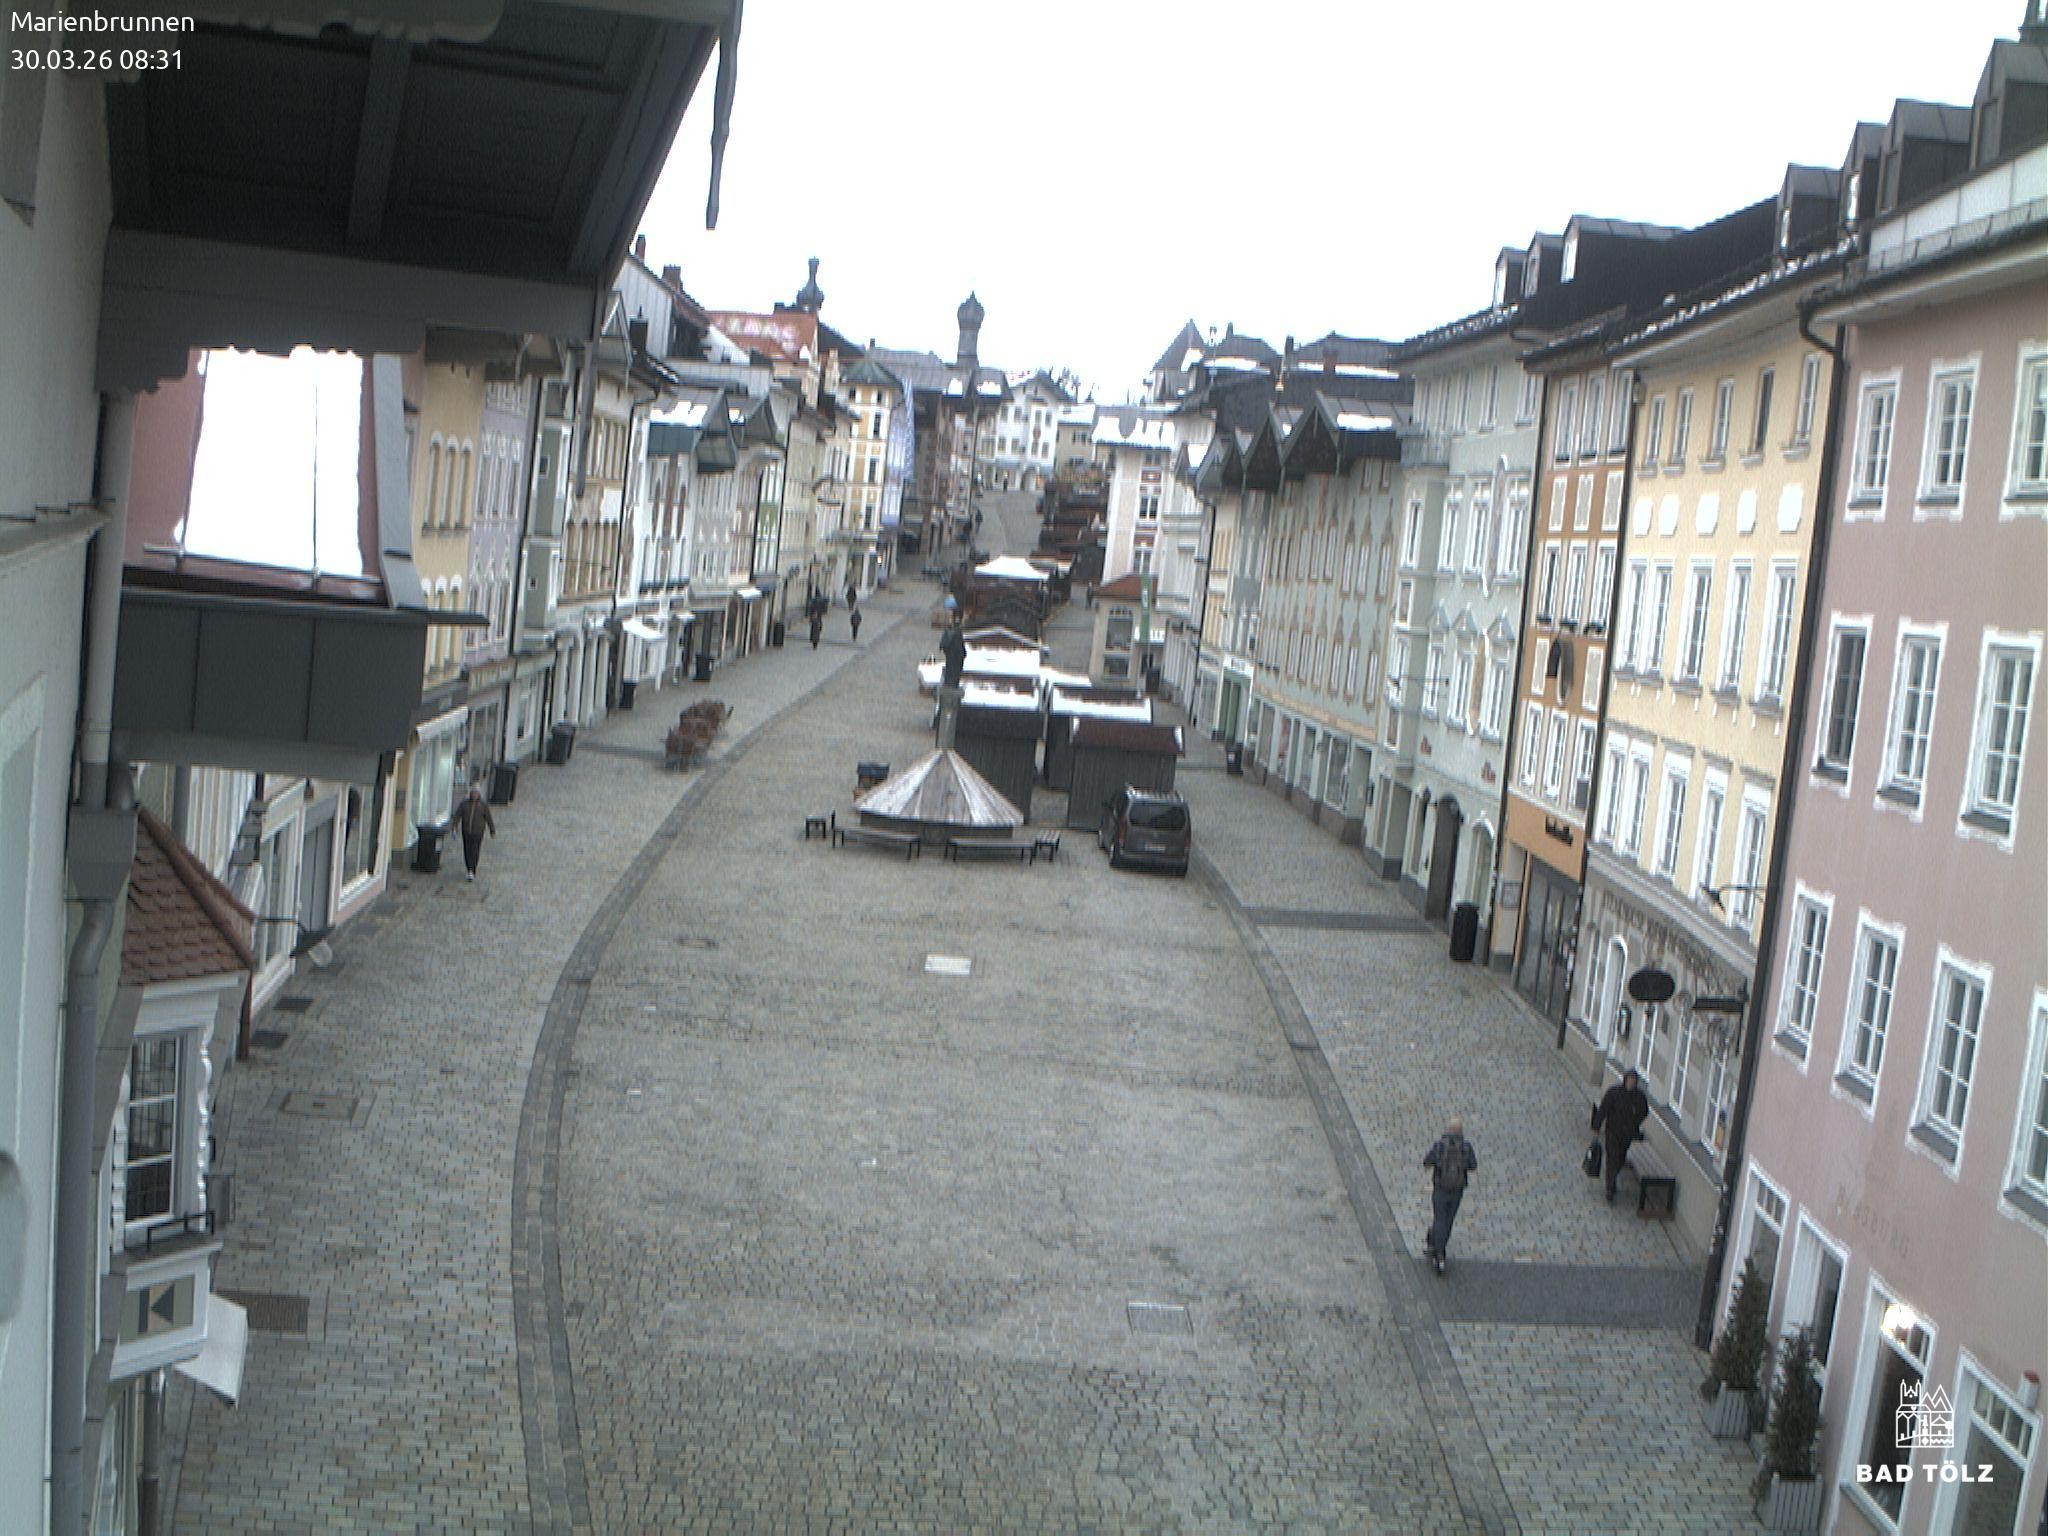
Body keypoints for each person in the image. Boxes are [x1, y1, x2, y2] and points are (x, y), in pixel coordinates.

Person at [1422, 1118, 1477, 1275]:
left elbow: (1427, 1161)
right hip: (1457, 1190)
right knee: (1448, 1220)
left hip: (1440, 1188)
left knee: (1439, 1218)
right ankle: (1440, 1247)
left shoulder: (1439, 1146)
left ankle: (1439, 1252)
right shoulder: (1466, 1147)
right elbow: (1473, 1165)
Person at [1591, 1068, 1652, 1203]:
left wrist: (1635, 1122)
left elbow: (1644, 1112)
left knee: (1620, 1159)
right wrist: (1596, 1126)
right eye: (1629, 1080)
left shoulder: (1639, 1097)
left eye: (1633, 1081)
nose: (1631, 1083)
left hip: (1627, 1135)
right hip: (1612, 1132)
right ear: (1625, 1080)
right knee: (1612, 1158)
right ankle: (1610, 1187)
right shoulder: (1614, 1093)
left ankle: (1612, 1180)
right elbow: (1603, 1109)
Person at [452, 786, 496, 882]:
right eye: (473, 793)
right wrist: (454, 827)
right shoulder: (464, 804)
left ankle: (472, 869)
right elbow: (457, 816)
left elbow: (489, 818)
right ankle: (469, 868)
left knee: (475, 851)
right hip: (466, 831)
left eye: (476, 793)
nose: (474, 795)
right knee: (467, 851)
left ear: (479, 794)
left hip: (478, 832)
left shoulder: (483, 806)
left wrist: (492, 830)